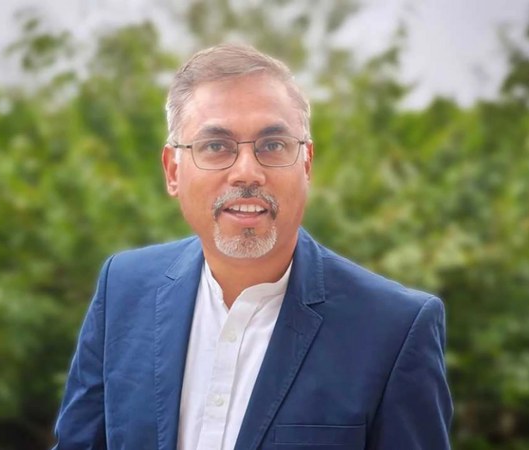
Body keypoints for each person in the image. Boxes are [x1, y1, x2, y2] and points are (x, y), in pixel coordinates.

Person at [52, 43, 452, 450]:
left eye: (273, 145)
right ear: (173, 171)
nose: (247, 172)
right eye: (216, 146)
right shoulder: (123, 289)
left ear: (307, 163)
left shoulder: (394, 330)